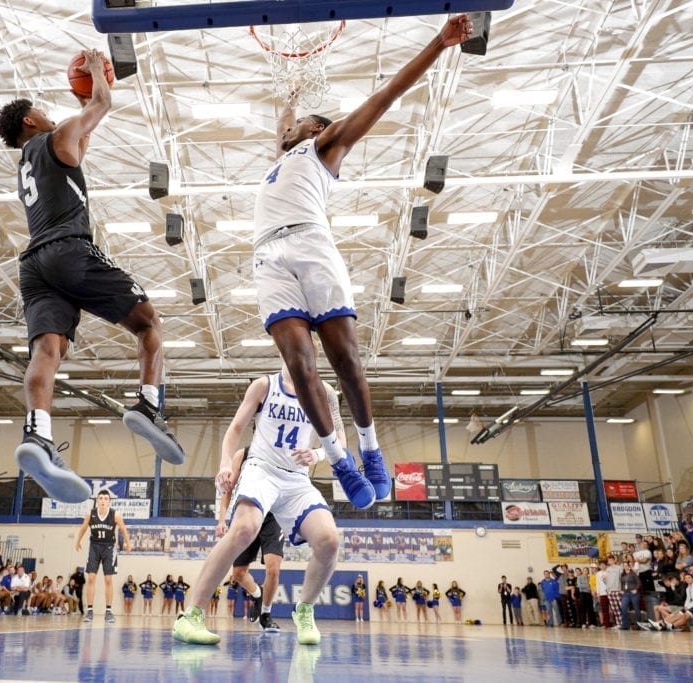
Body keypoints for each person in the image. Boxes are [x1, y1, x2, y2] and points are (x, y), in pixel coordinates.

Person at [248, 14, 475, 513]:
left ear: (321, 129)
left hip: (311, 245)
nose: (292, 125)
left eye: (303, 121)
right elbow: (283, 123)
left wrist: (439, 43)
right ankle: (339, 458)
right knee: (298, 365)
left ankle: (371, 450)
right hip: (267, 256)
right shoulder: (283, 155)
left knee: (345, 361)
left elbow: (385, 96)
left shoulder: (324, 145)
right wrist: (287, 93)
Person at [0, 50, 185, 504]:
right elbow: (99, 107)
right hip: (68, 250)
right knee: (148, 323)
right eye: (37, 108)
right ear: (28, 121)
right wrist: (99, 74)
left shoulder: (32, 159)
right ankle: (148, 406)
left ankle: (37, 434)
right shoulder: (55, 135)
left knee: (47, 349)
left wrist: (87, 103)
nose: (45, 110)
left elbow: (83, 138)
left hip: (34, 266)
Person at [171, 360, 350, 646]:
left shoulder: (325, 391)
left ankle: (304, 611)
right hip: (262, 469)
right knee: (244, 529)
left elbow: (340, 439)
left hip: (297, 479)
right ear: (283, 349)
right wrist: (225, 464)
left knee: (329, 541)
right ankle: (191, 616)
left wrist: (317, 455)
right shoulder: (264, 386)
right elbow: (235, 428)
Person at [215, 445, 286, 633]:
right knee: (238, 574)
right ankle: (257, 594)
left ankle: (266, 614)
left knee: (273, 568)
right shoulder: (243, 454)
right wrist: (222, 520)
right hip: (248, 511)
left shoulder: (283, 451)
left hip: (274, 515)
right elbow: (228, 489)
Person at [74, 489, 132, 623]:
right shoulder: (91, 514)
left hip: (109, 547)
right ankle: (89, 611)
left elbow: (123, 529)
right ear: (97, 501)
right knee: (91, 578)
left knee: (108, 580)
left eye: (106, 499)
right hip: (94, 546)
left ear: (109, 501)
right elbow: (83, 527)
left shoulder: (115, 515)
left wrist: (128, 543)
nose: (103, 501)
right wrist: (77, 541)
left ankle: (108, 612)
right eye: (100, 498)